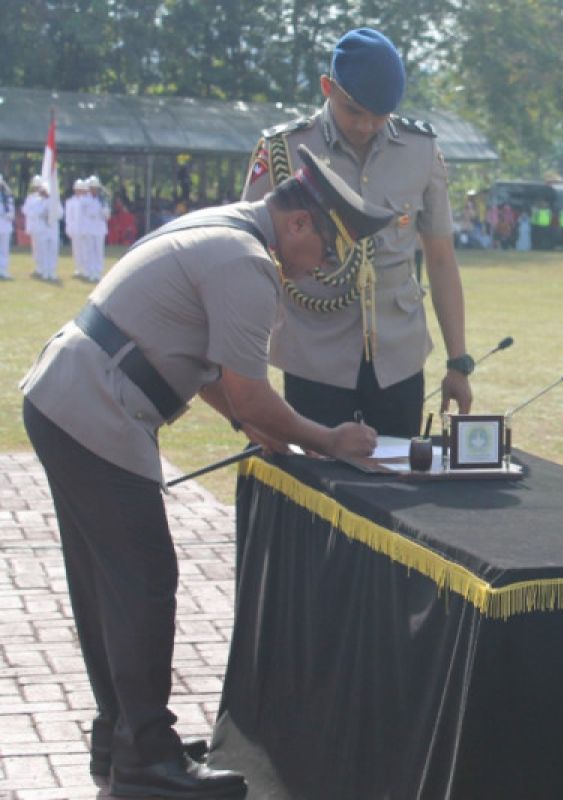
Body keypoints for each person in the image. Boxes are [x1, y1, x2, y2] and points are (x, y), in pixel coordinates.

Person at [21, 145, 388, 798]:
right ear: (300, 224)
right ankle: (145, 763)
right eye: (329, 251)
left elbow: (209, 370)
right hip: (95, 408)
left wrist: (250, 425)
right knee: (143, 580)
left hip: (67, 393)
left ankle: (126, 736)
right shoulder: (248, 264)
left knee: (107, 581)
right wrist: (324, 436)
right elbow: (248, 391)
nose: (326, 268)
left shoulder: (219, 228)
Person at [242, 27, 472, 437]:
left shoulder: (421, 150)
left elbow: (440, 257)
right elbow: (250, 257)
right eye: (354, 111)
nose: (367, 125)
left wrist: (458, 361)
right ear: (327, 88)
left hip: (398, 356)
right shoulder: (283, 150)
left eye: (380, 114)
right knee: (317, 488)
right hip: (314, 355)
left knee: (398, 487)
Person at [23, 175, 61, 283]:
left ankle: (52, 272)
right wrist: (42, 214)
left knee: (53, 251)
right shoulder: (36, 200)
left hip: (52, 229)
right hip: (42, 228)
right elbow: (34, 212)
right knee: (43, 251)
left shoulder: (54, 200)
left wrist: (52, 215)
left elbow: (60, 213)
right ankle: (44, 271)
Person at [83, 175, 111, 281]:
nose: (94, 190)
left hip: (99, 227)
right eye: (92, 188)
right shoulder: (85, 199)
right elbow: (85, 213)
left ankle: (98, 272)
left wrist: (105, 210)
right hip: (89, 227)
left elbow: (107, 215)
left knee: (99, 251)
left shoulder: (102, 200)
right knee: (90, 250)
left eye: (95, 188)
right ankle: (90, 271)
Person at [65, 178, 88, 279]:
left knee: (86, 249)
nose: (80, 192)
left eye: (82, 190)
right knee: (76, 250)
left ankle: (87, 268)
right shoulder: (70, 201)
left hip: (86, 229)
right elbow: (69, 216)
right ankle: (78, 268)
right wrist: (69, 227)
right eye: (78, 189)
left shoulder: (88, 201)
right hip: (75, 228)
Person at [0, 173, 14, 280]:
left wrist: (8, 215)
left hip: (5, 226)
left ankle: (3, 270)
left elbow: (11, 212)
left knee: (4, 250)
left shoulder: (7, 197)